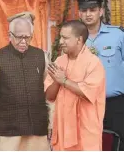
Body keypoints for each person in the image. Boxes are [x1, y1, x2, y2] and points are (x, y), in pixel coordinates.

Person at [0, 12, 50, 151]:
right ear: (9, 35)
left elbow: (49, 93)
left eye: (27, 37)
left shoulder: (41, 56)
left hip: (37, 127)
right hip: (8, 130)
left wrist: (52, 123)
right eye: (19, 37)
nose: (23, 42)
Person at [45, 20, 105, 150]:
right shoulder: (59, 61)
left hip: (85, 131)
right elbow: (49, 96)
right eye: (60, 37)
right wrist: (57, 80)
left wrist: (64, 81)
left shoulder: (93, 63)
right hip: (62, 129)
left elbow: (88, 93)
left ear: (79, 40)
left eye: (65, 38)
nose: (61, 41)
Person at [77, 0, 124, 150]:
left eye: (93, 9)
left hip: (114, 104)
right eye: (84, 10)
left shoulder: (118, 35)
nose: (88, 14)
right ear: (79, 13)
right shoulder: (74, 38)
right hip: (86, 104)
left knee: (118, 143)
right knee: (88, 144)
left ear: (101, 11)